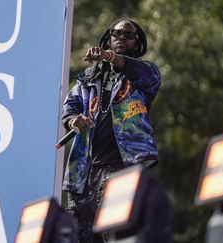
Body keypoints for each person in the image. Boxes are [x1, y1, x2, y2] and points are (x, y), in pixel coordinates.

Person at [61, 18, 161, 242]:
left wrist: (109, 56)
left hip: (121, 168)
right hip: (83, 173)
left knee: (117, 234)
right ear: (109, 37)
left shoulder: (144, 75)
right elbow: (70, 106)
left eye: (128, 35)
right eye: (117, 33)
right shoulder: (88, 78)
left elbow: (145, 74)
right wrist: (72, 120)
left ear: (137, 43)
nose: (122, 38)